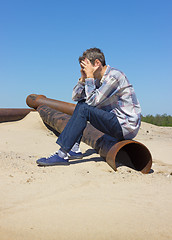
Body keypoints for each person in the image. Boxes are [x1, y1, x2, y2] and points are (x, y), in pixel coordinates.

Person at [36, 48, 141, 166]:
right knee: (81, 104)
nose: (84, 70)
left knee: (85, 107)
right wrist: (83, 79)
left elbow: (91, 102)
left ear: (97, 63)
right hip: (115, 122)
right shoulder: (97, 80)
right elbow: (76, 97)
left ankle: (62, 154)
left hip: (125, 126)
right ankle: (74, 149)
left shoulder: (114, 76)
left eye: (86, 67)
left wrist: (90, 77)